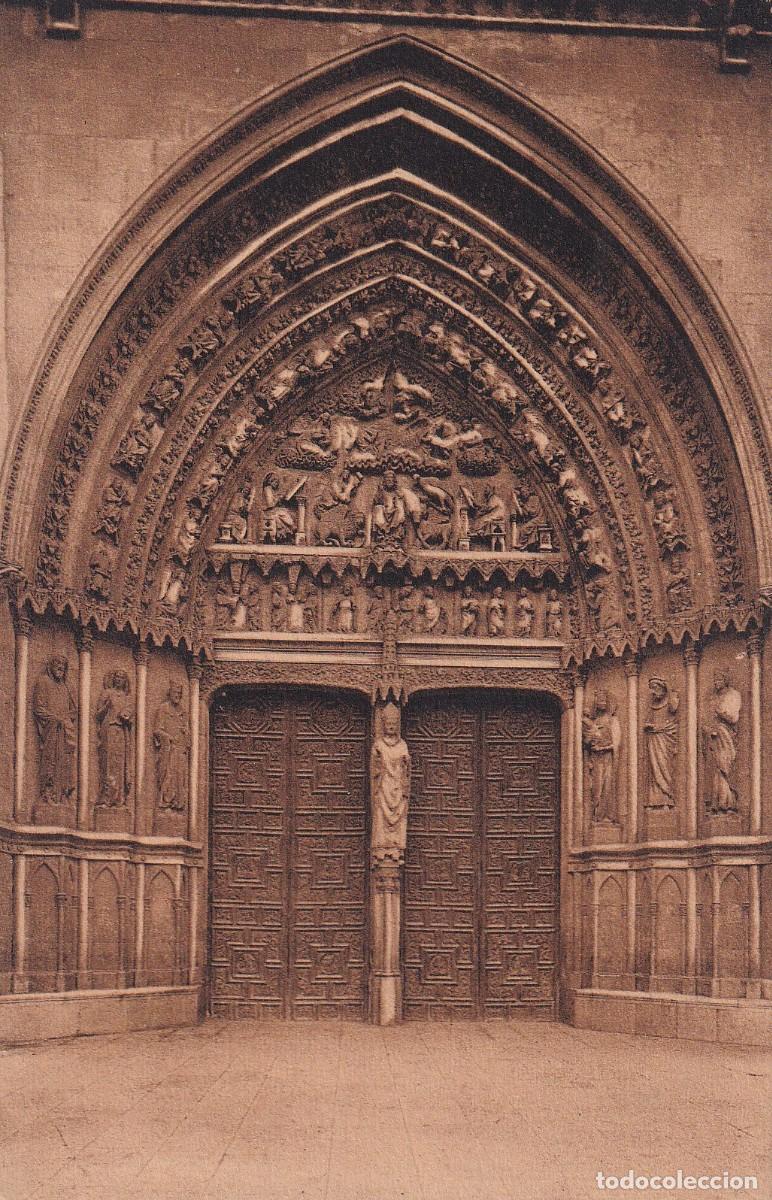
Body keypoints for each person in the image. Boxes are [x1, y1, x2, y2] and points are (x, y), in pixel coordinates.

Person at [33, 656, 77, 805]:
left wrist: (65, 719)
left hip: (65, 731)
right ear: (50, 665)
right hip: (51, 730)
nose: (60, 667)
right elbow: (39, 708)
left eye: (63, 665)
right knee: (50, 760)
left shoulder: (66, 687)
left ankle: (63, 795)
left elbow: (74, 711)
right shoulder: (43, 681)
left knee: (66, 763)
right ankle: (47, 794)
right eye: (57, 664)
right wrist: (54, 718)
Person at [370, 706, 411, 857]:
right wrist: (377, 759)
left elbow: (406, 767)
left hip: (397, 786)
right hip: (384, 785)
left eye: (394, 724)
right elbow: (375, 766)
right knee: (380, 813)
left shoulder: (402, 745)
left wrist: (407, 762)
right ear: (384, 725)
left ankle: (396, 846)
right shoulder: (379, 745)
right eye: (389, 724)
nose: (391, 727)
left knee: (399, 814)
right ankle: (382, 847)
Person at [95, 669, 134, 807]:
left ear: (125, 681)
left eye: (122, 678)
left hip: (121, 733)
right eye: (117, 677)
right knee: (108, 764)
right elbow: (98, 715)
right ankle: (106, 798)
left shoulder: (126, 698)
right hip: (109, 730)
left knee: (120, 765)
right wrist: (107, 706)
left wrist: (127, 718)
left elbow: (130, 719)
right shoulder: (107, 693)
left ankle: (119, 799)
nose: (119, 679)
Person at [153, 681, 189, 812]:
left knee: (180, 777)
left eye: (180, 693)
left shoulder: (183, 711)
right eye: (175, 693)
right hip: (168, 749)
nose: (177, 695)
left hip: (180, 749)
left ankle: (177, 804)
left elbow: (187, 730)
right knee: (168, 775)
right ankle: (165, 803)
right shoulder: (163, 709)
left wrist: (186, 733)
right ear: (169, 693)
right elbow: (157, 730)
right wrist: (168, 737)